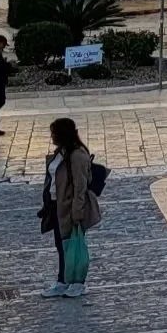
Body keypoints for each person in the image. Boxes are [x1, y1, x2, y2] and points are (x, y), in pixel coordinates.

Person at [41, 116, 99, 298]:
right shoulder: (61, 153)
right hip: (56, 205)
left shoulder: (77, 155)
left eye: (53, 133)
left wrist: (77, 212)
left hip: (69, 207)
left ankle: (77, 282)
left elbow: (80, 186)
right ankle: (63, 280)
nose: (51, 136)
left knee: (74, 245)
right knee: (62, 244)